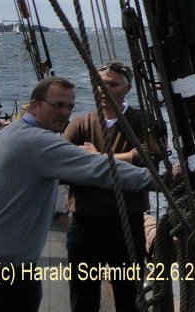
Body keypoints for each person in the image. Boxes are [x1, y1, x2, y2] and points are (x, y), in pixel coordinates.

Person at [0, 76, 153, 312]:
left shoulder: (11, 132)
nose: (65, 112)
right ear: (34, 106)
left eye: (69, 106)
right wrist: (159, 180)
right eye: (57, 105)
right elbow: (96, 168)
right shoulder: (36, 140)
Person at [64, 61, 150, 312]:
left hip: (127, 223)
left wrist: (96, 157)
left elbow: (146, 159)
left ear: (127, 88)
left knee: (128, 296)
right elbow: (65, 164)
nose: (104, 89)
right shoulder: (79, 124)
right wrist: (127, 158)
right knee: (83, 297)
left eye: (112, 84)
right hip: (85, 223)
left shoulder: (142, 121)